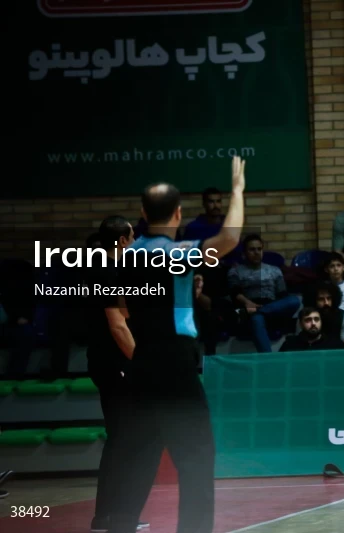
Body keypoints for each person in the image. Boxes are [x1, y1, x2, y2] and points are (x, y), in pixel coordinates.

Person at [112, 156, 246, 533]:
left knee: (137, 455)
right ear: (177, 214)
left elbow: (122, 306)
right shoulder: (178, 254)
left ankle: (120, 525)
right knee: (196, 456)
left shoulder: (124, 256)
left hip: (141, 361)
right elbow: (230, 238)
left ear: (142, 213)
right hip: (175, 362)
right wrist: (237, 191)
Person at [83, 218, 154, 533]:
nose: (137, 239)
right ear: (124, 241)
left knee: (120, 442)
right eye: (133, 235)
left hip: (107, 364)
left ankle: (108, 516)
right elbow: (118, 325)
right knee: (131, 442)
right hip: (117, 366)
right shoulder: (108, 273)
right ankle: (119, 516)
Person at [279, 307, 344, 352]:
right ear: (300, 324)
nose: (313, 323)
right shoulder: (289, 345)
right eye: (308, 320)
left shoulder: (335, 345)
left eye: (316, 319)